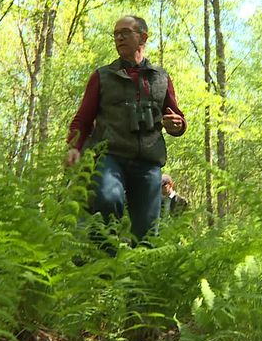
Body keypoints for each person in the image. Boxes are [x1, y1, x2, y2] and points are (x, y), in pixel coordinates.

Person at [66, 15, 186, 241]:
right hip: (110, 157)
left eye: (125, 32)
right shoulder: (102, 76)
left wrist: (178, 124)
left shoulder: (161, 78)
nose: (119, 38)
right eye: (116, 34)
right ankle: (102, 261)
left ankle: (138, 271)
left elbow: (175, 116)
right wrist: (74, 147)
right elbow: (82, 119)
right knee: (107, 200)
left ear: (143, 37)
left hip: (148, 162)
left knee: (147, 229)